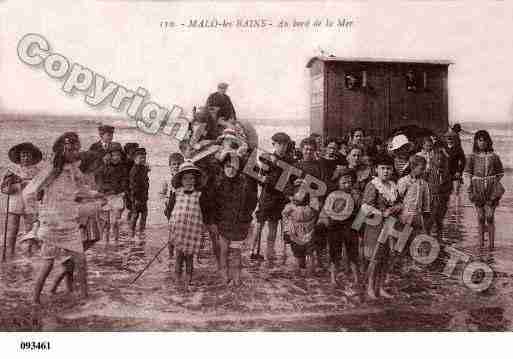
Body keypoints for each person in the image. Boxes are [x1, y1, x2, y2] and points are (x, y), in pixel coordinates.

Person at [24, 132, 104, 304]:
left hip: (69, 223)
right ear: (63, 150)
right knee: (48, 264)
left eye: (77, 149)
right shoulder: (51, 169)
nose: (76, 153)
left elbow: (80, 190)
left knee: (81, 261)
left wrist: (97, 194)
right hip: (52, 223)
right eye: (72, 150)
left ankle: (85, 298)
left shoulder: (74, 169)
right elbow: (29, 192)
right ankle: (34, 299)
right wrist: (36, 216)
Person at [210, 151, 258, 285]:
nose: (230, 170)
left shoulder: (244, 185)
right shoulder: (218, 184)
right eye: (227, 167)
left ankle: (237, 278)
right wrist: (214, 222)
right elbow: (214, 205)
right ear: (223, 167)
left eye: (234, 167)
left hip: (238, 223)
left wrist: (246, 218)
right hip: (223, 223)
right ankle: (225, 276)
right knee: (223, 251)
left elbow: (252, 202)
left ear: (239, 169)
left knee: (236, 252)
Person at [164, 161, 210, 290]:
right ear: (180, 180)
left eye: (191, 178)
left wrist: (204, 227)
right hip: (179, 230)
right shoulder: (176, 193)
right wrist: (171, 224)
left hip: (193, 231)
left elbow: (205, 212)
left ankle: (188, 282)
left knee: (189, 258)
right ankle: (177, 280)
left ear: (195, 180)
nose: (189, 181)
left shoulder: (200, 194)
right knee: (178, 256)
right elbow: (169, 210)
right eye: (185, 178)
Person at [362, 154, 402, 299]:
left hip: (390, 226)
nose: (386, 171)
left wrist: (395, 208)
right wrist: (382, 213)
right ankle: (370, 287)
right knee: (375, 257)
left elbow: (399, 202)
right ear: (376, 170)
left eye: (388, 169)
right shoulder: (373, 185)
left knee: (386, 258)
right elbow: (366, 207)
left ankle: (381, 287)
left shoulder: (393, 185)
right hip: (375, 226)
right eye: (383, 168)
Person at [253, 132, 295, 266]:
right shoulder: (266, 158)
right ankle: (254, 251)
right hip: (267, 196)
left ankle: (269, 253)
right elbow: (260, 179)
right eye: (279, 144)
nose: (282, 147)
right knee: (259, 224)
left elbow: (291, 181)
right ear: (273, 144)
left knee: (273, 226)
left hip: (280, 198)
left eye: (285, 144)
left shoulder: (289, 161)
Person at [318, 167, 361, 289]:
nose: (347, 185)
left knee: (353, 253)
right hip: (335, 227)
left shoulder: (355, 195)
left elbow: (361, 211)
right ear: (338, 182)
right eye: (344, 182)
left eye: (350, 182)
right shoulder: (332, 195)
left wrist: (358, 228)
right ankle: (333, 278)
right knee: (334, 253)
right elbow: (325, 211)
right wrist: (324, 222)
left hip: (350, 227)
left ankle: (357, 279)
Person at [464, 130, 504, 250]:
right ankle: (480, 244)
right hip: (477, 189)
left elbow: (500, 173)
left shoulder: (494, 157)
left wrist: (492, 182)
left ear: (488, 142)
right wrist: (471, 187)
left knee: (490, 216)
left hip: (491, 189)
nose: (482, 142)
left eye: (484, 140)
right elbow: (467, 174)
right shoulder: (472, 157)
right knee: (481, 217)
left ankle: (491, 245)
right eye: (479, 140)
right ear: (476, 142)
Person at [1, 142, 43, 257]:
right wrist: (12, 184)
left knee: (31, 233)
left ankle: (30, 257)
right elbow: (4, 189)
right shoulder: (12, 171)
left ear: (33, 156)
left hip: (31, 204)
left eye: (28, 155)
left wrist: (32, 186)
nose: (25, 157)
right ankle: (9, 257)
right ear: (19, 157)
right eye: (23, 155)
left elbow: (42, 190)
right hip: (15, 204)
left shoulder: (38, 172)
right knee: (11, 233)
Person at [417, 137, 452, 241]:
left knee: (440, 221)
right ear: (432, 160)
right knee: (429, 221)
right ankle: (427, 240)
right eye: (438, 159)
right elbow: (424, 185)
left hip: (442, 200)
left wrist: (446, 198)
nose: (440, 161)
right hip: (431, 199)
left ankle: (439, 239)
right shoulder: (428, 172)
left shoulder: (446, 173)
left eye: (442, 160)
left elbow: (449, 187)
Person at [96, 142, 128, 242]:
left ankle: (116, 241)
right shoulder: (103, 168)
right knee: (106, 223)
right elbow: (99, 183)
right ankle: (105, 242)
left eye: (118, 155)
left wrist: (120, 191)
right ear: (109, 155)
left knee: (114, 222)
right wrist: (107, 191)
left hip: (117, 196)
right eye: (113, 155)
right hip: (105, 197)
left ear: (121, 156)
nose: (116, 157)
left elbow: (125, 183)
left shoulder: (123, 168)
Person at [282, 186, 317, 276]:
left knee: (310, 252)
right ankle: (300, 271)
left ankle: (310, 272)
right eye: (298, 193)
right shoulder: (290, 206)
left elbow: (316, 216)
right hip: (295, 233)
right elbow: (285, 217)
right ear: (294, 195)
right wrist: (287, 230)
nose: (301, 195)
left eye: (303, 193)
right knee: (298, 254)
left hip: (309, 232)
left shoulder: (311, 206)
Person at [397, 155, 431, 234]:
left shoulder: (424, 184)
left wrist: (426, 212)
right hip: (405, 215)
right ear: (413, 167)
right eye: (421, 169)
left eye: (424, 169)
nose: (423, 171)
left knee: (418, 237)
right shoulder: (404, 181)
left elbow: (426, 201)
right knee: (403, 236)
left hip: (418, 216)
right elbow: (399, 197)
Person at [129, 148, 150, 239]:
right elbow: (133, 186)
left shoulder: (143, 168)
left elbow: (145, 180)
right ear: (135, 159)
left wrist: (147, 169)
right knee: (136, 214)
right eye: (140, 158)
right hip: (137, 197)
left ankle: (141, 230)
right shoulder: (134, 170)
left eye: (144, 158)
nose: (143, 160)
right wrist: (135, 198)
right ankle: (132, 230)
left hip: (143, 196)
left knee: (144, 213)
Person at [123, 142, 139, 222]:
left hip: (132, 188)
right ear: (127, 153)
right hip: (127, 188)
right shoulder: (125, 163)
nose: (134, 155)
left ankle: (129, 223)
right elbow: (125, 179)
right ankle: (130, 224)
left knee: (133, 208)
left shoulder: (134, 162)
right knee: (132, 207)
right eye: (132, 153)